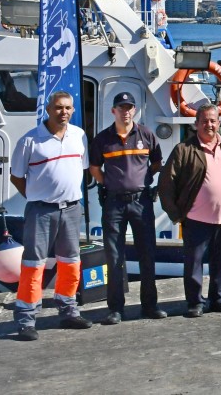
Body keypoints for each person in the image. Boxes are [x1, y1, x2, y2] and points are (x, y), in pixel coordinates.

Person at [10, 91, 93, 341]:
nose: (64, 112)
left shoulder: (79, 136)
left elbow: (82, 169)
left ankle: (68, 310)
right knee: (33, 264)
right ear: (48, 109)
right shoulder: (30, 140)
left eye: (68, 108)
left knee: (70, 261)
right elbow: (16, 176)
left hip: (71, 208)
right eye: (58, 108)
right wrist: (36, 196)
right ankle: (26, 319)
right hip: (41, 210)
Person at [89, 91, 165, 325]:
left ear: (134, 110)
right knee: (114, 257)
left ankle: (150, 305)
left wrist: (143, 181)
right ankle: (116, 309)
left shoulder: (147, 135)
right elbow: (94, 168)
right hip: (114, 203)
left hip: (141, 202)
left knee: (147, 254)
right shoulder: (103, 139)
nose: (126, 111)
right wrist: (110, 184)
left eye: (129, 107)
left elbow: (156, 163)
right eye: (121, 107)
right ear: (113, 111)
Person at [160, 104, 221, 317]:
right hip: (195, 218)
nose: (209, 125)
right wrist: (177, 214)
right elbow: (166, 184)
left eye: (213, 121)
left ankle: (219, 298)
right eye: (204, 121)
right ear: (196, 125)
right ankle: (195, 302)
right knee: (194, 263)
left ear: (219, 123)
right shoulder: (184, 149)